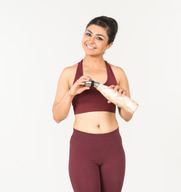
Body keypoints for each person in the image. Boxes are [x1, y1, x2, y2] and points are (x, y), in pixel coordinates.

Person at [52, 16, 135, 192]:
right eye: (88, 34)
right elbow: (57, 116)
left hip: (112, 147)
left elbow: (127, 116)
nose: (90, 41)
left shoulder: (118, 73)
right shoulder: (69, 73)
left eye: (99, 38)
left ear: (109, 45)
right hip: (83, 148)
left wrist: (121, 98)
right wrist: (71, 93)